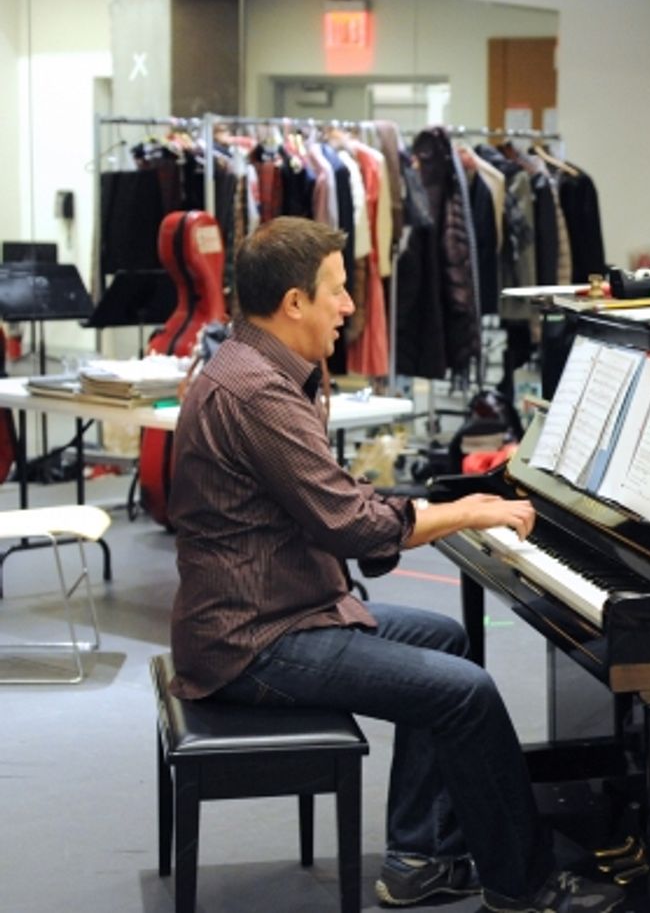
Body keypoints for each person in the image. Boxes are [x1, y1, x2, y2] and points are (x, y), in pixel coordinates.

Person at [167, 216, 625, 913]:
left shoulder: (256, 365)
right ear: (294, 303)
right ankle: (525, 885)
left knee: (443, 638)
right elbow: (349, 524)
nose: (350, 305)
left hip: (279, 608)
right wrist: (470, 510)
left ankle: (420, 856)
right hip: (254, 640)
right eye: (339, 290)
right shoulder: (258, 391)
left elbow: (331, 497)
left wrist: (430, 505)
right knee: (465, 691)